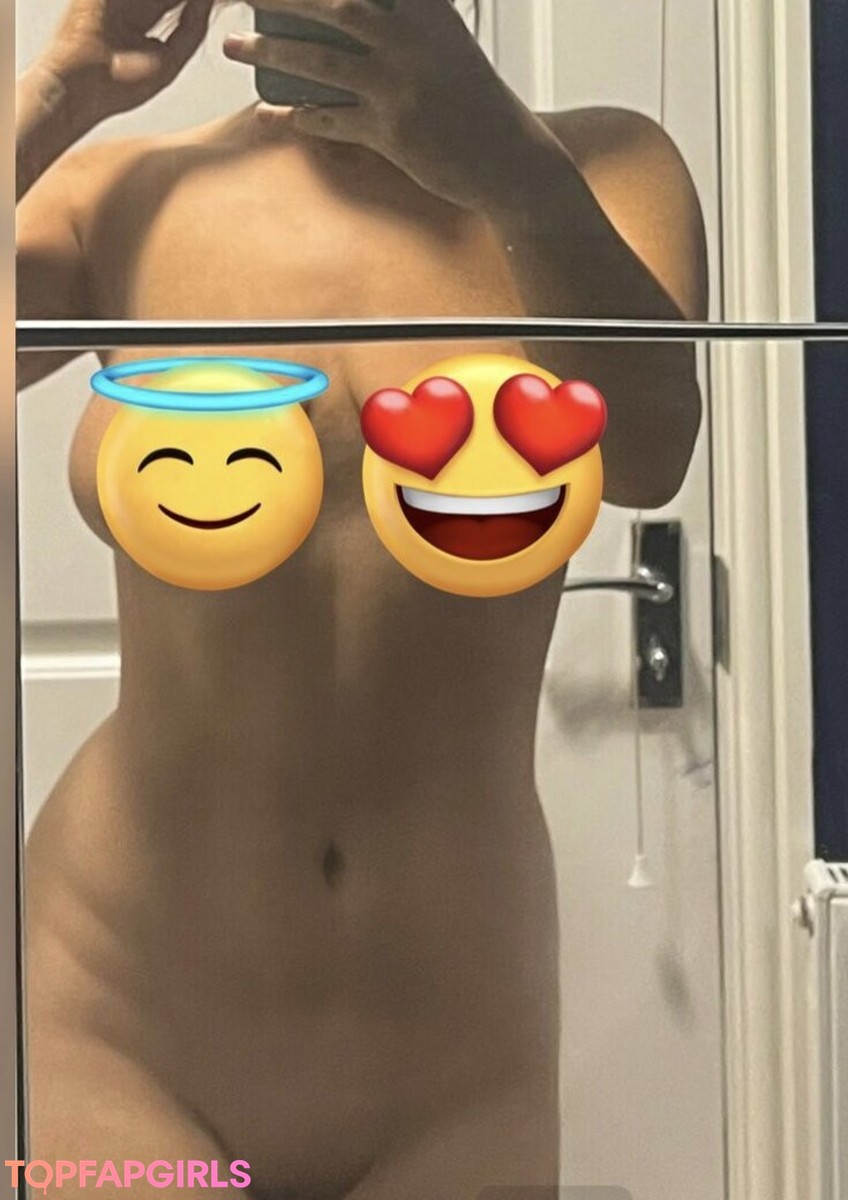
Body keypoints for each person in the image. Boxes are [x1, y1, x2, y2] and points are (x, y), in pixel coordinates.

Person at [15, 1, 708, 1196]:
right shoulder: (118, 193)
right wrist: (53, 102)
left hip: (457, 1058)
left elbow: (650, 450)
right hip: (119, 1009)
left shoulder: (602, 169)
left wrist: (504, 165)